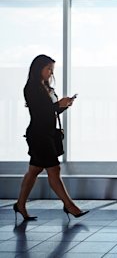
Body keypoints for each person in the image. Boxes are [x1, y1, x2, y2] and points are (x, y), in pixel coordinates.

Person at [13, 54, 89, 221]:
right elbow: (40, 112)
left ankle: (20, 205)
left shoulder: (47, 87)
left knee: (34, 170)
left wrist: (64, 105)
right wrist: (57, 105)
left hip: (47, 133)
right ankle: (70, 206)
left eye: (52, 70)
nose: (50, 73)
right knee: (54, 170)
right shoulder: (31, 87)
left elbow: (51, 112)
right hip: (40, 135)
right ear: (38, 68)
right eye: (48, 69)